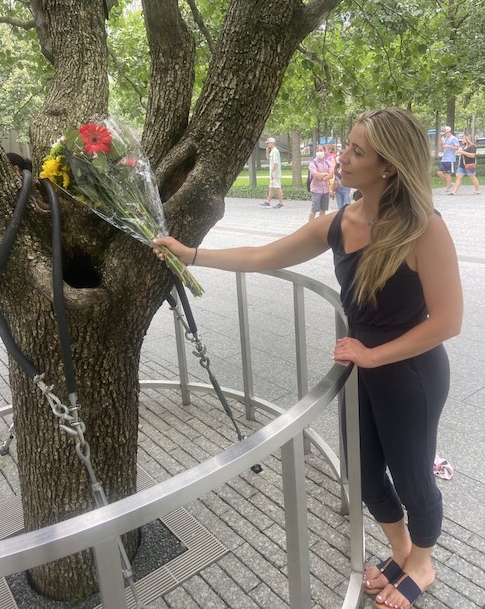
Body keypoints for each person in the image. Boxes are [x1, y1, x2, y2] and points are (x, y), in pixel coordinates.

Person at [154, 107, 462, 609]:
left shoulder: (423, 228)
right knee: (360, 474)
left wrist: (374, 353)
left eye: (356, 151)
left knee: (412, 477)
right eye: (346, 145)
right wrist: (189, 254)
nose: (341, 158)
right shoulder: (337, 222)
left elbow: (448, 322)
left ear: (388, 166)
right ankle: (403, 551)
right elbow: (261, 256)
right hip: (361, 368)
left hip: (411, 373)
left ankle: (423, 564)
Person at [308, 145, 333, 221]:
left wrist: (322, 176)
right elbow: (315, 175)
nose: (319, 152)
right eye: (317, 151)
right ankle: (310, 226)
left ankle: (320, 226)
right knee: (314, 210)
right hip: (316, 190)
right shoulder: (313, 163)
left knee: (323, 210)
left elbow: (331, 174)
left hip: (325, 190)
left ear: (325, 151)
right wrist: (325, 174)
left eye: (321, 150)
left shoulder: (328, 163)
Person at [259, 137, 284, 209]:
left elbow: (276, 163)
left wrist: (272, 172)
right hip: (273, 174)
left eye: (268, 143)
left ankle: (281, 203)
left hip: (275, 174)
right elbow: (268, 158)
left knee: (278, 187)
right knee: (271, 188)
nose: (267, 144)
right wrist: (267, 151)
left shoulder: (275, 151)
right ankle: (268, 202)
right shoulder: (272, 151)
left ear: (272, 143)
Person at [437, 126, 459, 192]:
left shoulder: (453, 138)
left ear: (449, 132)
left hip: (450, 159)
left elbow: (457, 147)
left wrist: (449, 146)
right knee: (439, 172)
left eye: (445, 133)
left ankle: (448, 187)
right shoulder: (445, 139)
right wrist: (441, 145)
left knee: (447, 173)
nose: (444, 134)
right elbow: (443, 148)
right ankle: (450, 183)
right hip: (444, 158)